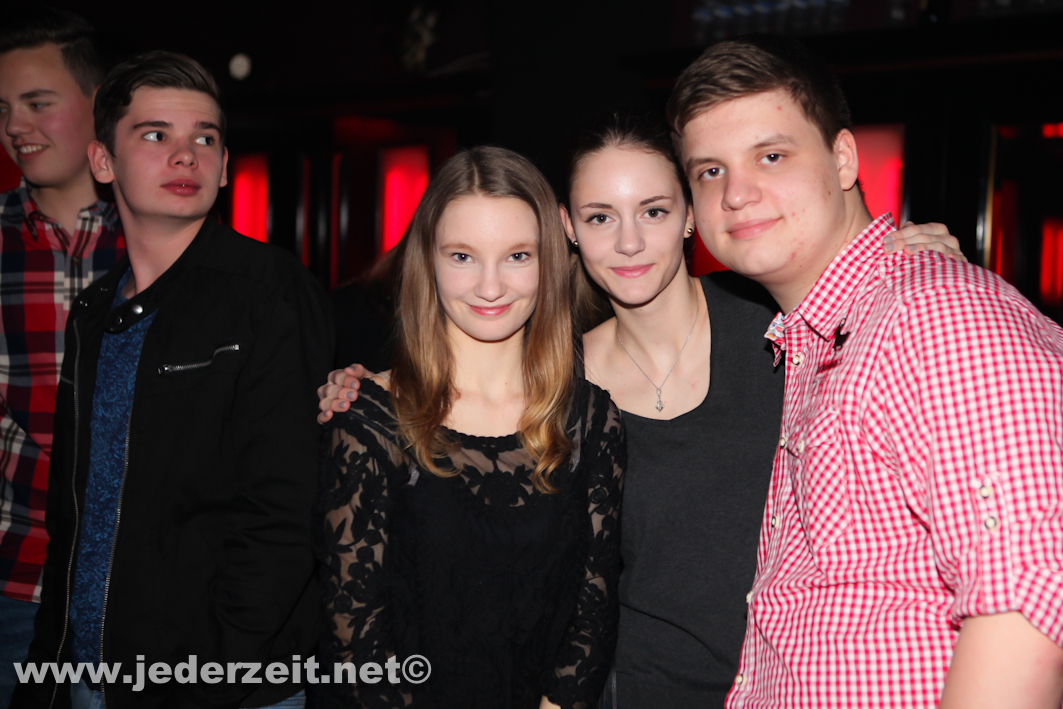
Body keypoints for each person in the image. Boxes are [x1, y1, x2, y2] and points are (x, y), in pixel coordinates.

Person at [317, 113, 963, 708]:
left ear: (689, 214)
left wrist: (912, 261)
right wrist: (363, 393)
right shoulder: (562, 385)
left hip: (799, 683)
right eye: (600, 217)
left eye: (652, 210)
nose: (628, 242)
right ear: (568, 229)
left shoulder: (783, 331)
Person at [666, 36, 1063, 707]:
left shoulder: (936, 315)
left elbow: (1027, 596)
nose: (736, 193)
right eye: (709, 171)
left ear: (844, 157)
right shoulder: (812, 337)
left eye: (770, 155)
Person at [12, 52, 332, 709]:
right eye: (155, 135)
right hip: (91, 676)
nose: (186, 155)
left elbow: (283, 515)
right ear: (103, 162)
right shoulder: (95, 311)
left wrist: (207, 677)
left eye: (204, 139)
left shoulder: (268, 291)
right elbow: (72, 518)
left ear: (224, 165)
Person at [316, 146, 624, 709]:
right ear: (428, 260)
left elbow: (593, 611)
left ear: (551, 261)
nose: (490, 286)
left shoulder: (590, 419)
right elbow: (356, 644)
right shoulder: (368, 419)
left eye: (517, 256)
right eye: (462, 256)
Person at [0, 10, 123, 706]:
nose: (15, 125)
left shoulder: (161, 241)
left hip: (141, 585)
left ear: (99, 104)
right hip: (16, 580)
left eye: (37, 102)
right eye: (3, 109)